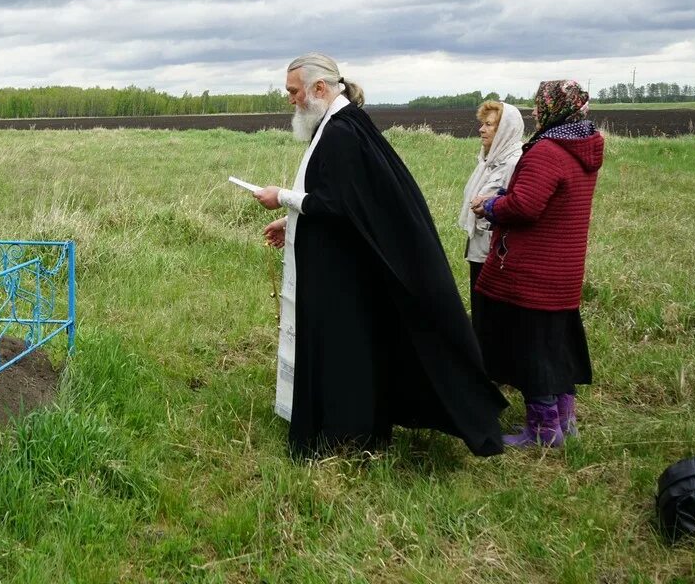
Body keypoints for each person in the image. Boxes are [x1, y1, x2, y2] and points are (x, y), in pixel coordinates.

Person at [254, 53, 506, 458]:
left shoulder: (341, 132)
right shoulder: (339, 124)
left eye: (293, 91)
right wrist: (292, 222)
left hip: (344, 275)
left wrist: (280, 197)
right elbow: (346, 200)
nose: (291, 100)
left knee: (344, 353)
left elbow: (339, 203)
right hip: (342, 262)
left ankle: (342, 437)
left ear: (320, 89)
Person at [471, 80, 602, 448]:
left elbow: (526, 205)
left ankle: (543, 431)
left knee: (533, 350)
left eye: (538, 106)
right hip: (564, 269)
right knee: (556, 345)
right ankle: (565, 420)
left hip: (535, 269)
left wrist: (493, 205)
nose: (533, 112)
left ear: (554, 108)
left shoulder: (547, 151)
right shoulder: (581, 149)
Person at [459, 101, 524, 334]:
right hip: (480, 246)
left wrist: (487, 205)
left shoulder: (514, 162)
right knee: (480, 310)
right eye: (482, 124)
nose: (481, 129)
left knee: (491, 314)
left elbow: (515, 203)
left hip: (495, 251)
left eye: (489, 125)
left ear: (505, 129)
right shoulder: (489, 161)